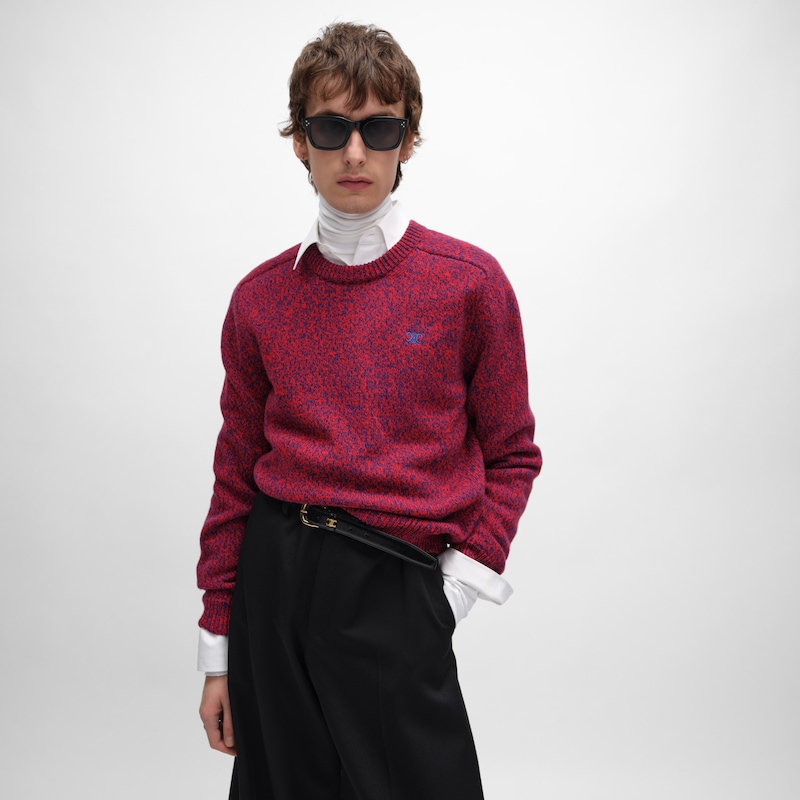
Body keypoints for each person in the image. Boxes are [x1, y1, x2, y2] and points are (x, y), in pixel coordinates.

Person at [197, 21, 542, 800]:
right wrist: (218, 648)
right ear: (300, 141)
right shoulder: (260, 298)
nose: (354, 152)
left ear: (407, 140)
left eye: (379, 128)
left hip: (395, 581)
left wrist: (450, 593)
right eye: (331, 128)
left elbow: (512, 453)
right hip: (274, 578)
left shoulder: (469, 284)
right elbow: (235, 475)